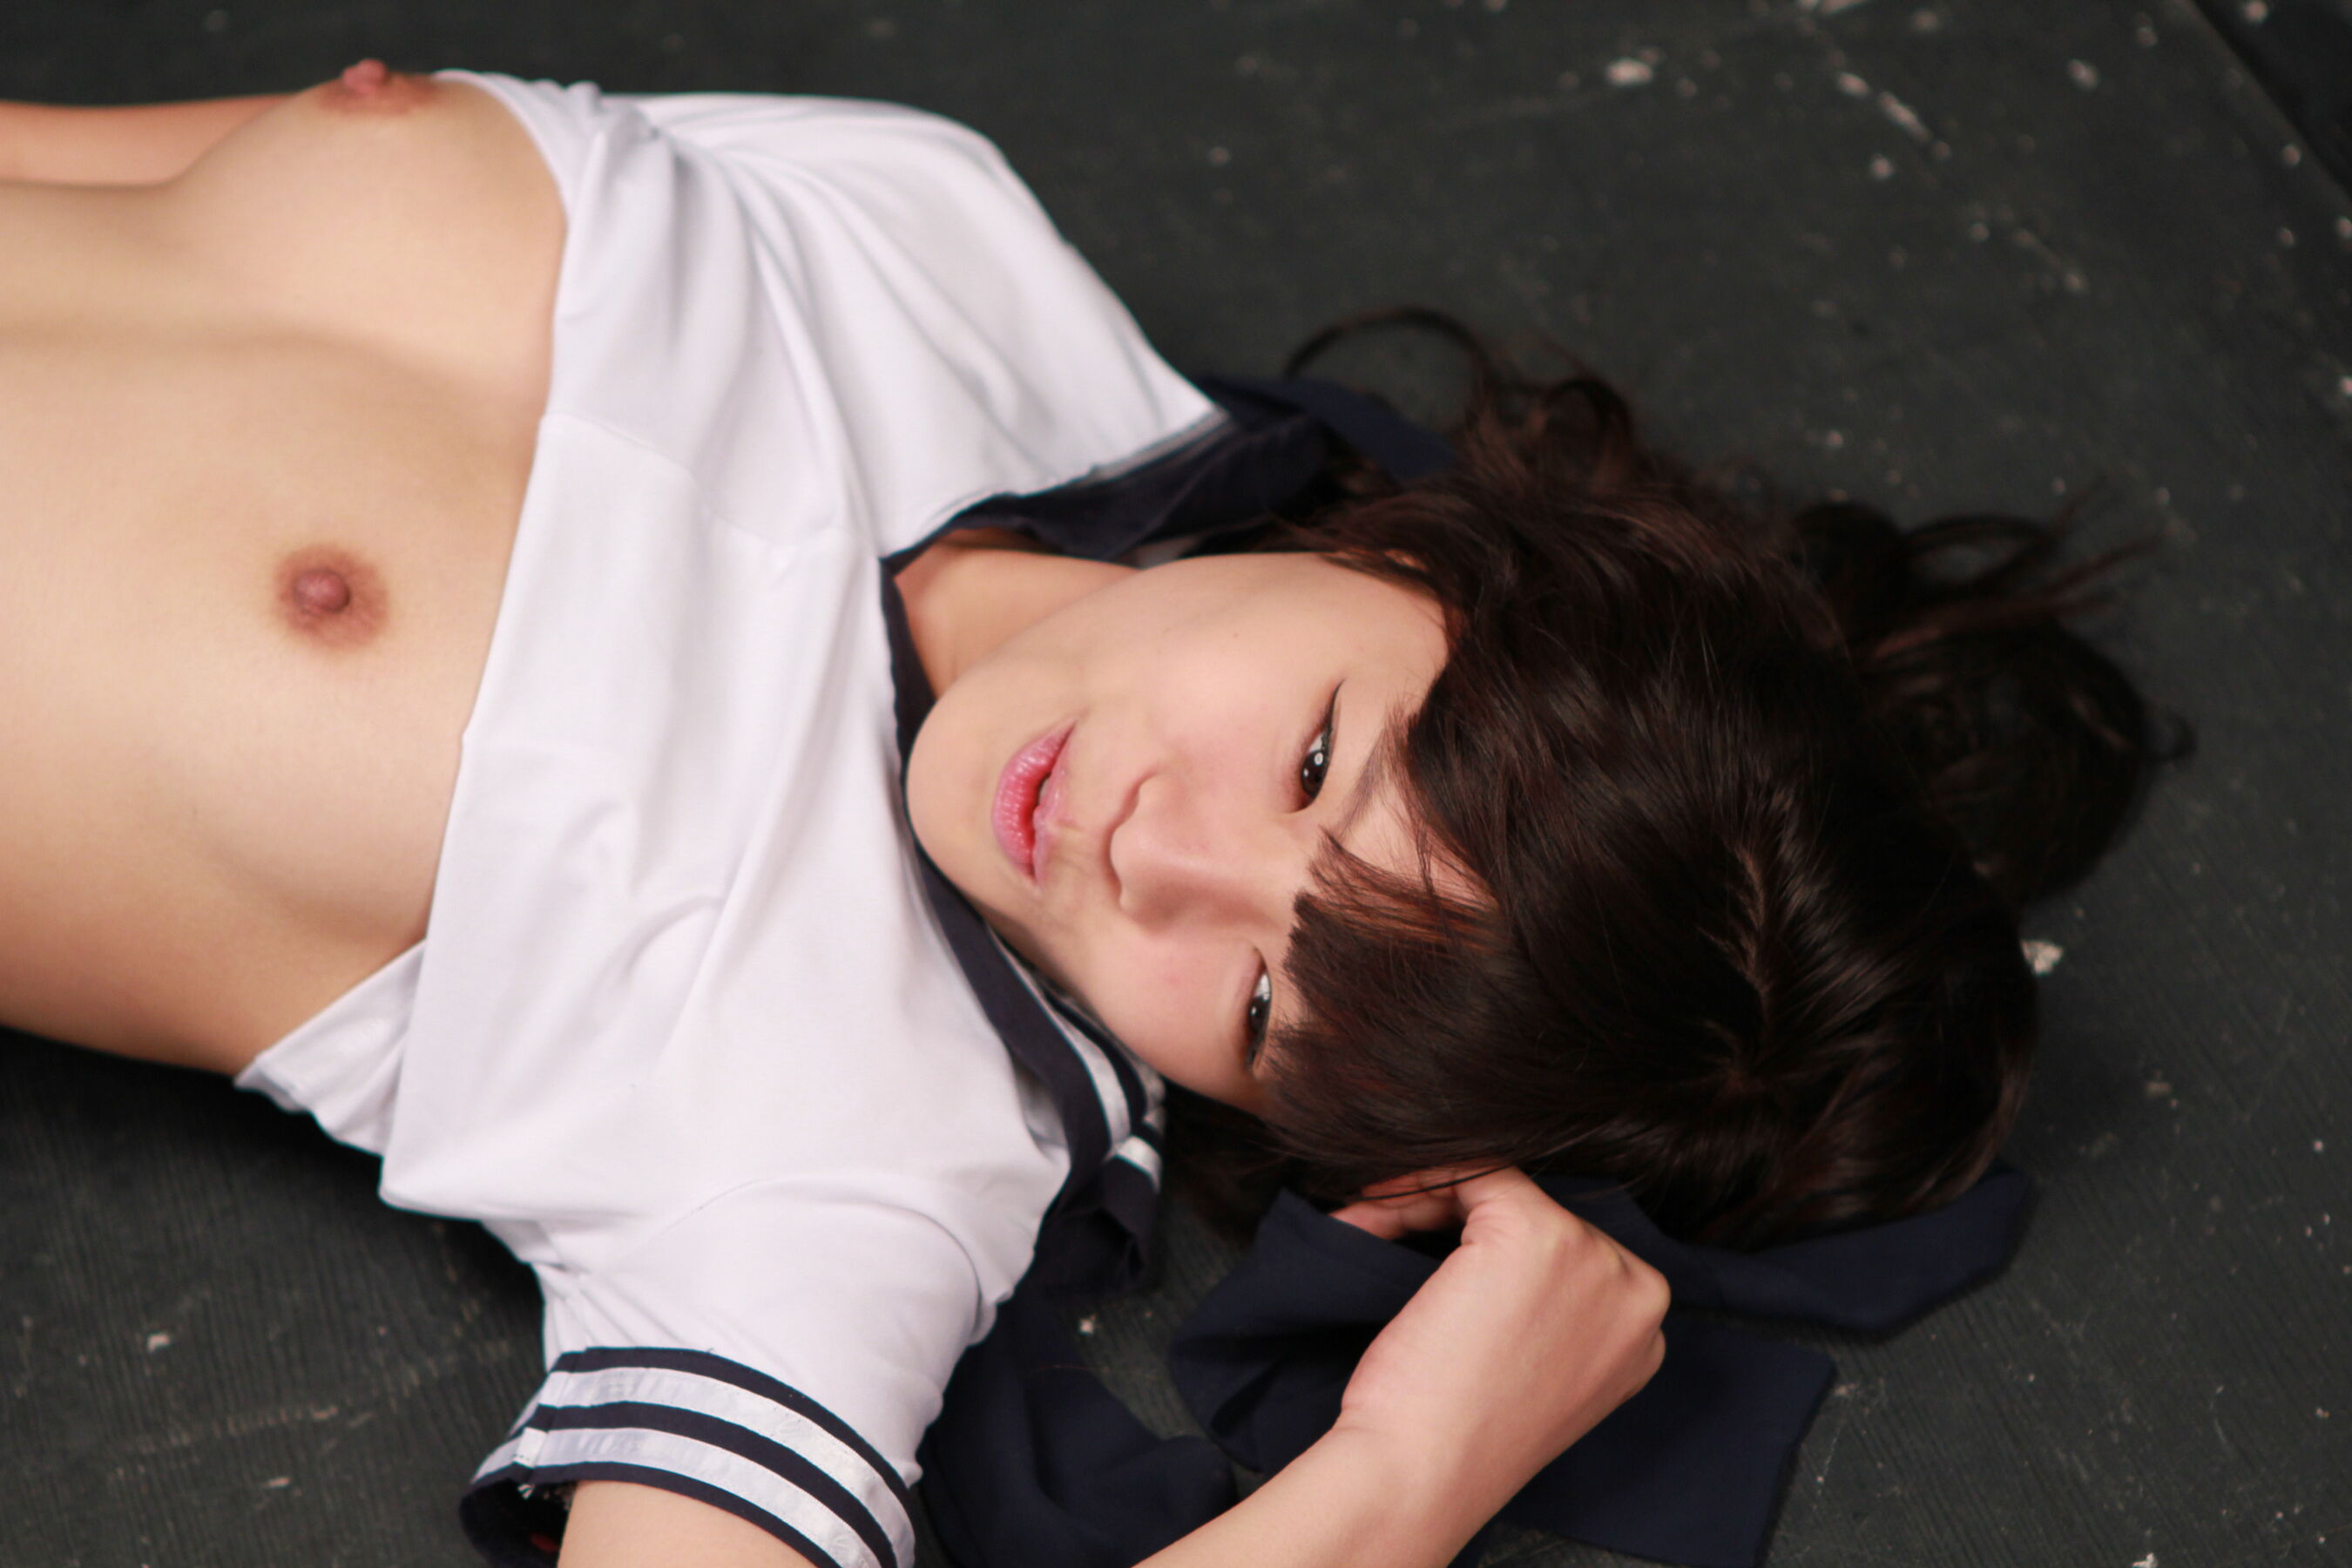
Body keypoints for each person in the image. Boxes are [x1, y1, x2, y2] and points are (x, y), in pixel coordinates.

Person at [0, 61, 2156, 1568]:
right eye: (1315, 763)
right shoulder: (940, 232)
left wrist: (1397, 1488)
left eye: (1266, 998)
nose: (1161, 860)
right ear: (1426, 565)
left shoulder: (847, 1135)